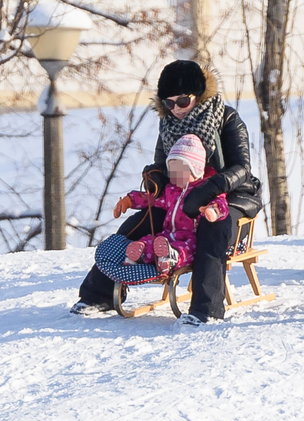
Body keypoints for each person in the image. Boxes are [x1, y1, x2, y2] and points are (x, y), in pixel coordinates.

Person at [71, 60, 263, 325]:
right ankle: (97, 295)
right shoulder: (168, 125)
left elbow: (242, 168)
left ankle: (206, 310)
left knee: (212, 230)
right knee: (136, 224)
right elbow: (163, 165)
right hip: (180, 197)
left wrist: (210, 188)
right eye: (169, 103)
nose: (176, 109)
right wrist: (155, 180)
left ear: (199, 94)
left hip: (229, 195)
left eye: (182, 101)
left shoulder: (227, 118)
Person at [116, 134, 229, 274]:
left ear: (196, 170)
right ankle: (141, 254)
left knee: (188, 248)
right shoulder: (171, 190)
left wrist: (213, 210)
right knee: (152, 240)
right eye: (173, 171)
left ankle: (172, 258)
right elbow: (152, 199)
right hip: (168, 234)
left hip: (190, 235)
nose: (175, 175)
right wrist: (130, 200)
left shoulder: (204, 190)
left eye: (180, 171)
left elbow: (221, 201)